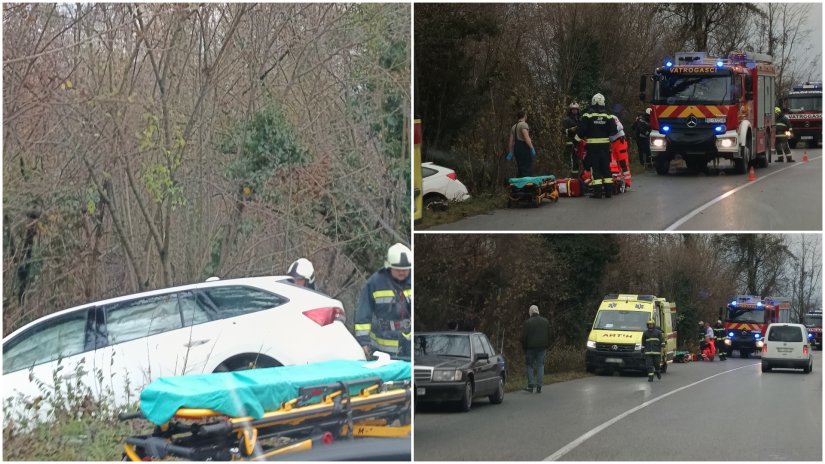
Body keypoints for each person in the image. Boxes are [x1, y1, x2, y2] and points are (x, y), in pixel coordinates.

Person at [354, 243, 412, 359]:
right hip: (382, 348)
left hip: (410, 347)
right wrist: (363, 342)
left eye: (405, 269)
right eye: (398, 269)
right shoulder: (375, 283)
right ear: (389, 266)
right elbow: (363, 314)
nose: (402, 272)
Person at [578, 93, 617, 198]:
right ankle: (609, 192)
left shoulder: (587, 116)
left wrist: (575, 140)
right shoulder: (608, 116)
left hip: (592, 148)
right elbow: (614, 131)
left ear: (593, 102)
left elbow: (581, 132)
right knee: (606, 168)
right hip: (605, 147)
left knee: (595, 169)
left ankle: (598, 193)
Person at [521, 304, 550, 393]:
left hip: (530, 348)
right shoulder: (545, 322)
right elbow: (549, 335)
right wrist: (547, 345)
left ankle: (530, 385)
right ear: (537, 311)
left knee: (530, 366)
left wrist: (524, 348)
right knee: (540, 365)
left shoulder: (527, 323)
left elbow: (523, 337)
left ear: (530, 312)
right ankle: (539, 386)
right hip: (542, 347)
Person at [507, 110, 537, 178]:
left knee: (520, 169)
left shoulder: (513, 127)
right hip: (523, 149)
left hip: (516, 149)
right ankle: (527, 187)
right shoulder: (524, 124)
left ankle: (519, 187)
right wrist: (532, 148)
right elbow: (526, 138)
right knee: (527, 169)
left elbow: (511, 142)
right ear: (525, 116)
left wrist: (511, 152)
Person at [610, 115, 632, 191]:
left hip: (620, 141)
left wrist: (610, 132)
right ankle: (618, 183)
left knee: (623, 163)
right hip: (613, 143)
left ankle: (627, 184)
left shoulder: (612, 117)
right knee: (616, 165)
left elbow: (620, 126)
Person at [562, 102, 582, 177]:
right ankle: (570, 178)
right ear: (570, 110)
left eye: (576, 109)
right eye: (573, 109)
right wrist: (570, 130)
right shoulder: (567, 120)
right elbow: (563, 131)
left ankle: (576, 178)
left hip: (579, 144)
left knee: (577, 162)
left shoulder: (580, 120)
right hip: (570, 144)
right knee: (571, 161)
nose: (574, 111)